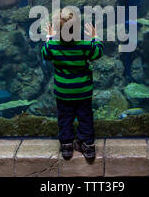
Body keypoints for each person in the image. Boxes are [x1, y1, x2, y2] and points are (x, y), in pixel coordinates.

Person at [41, 9, 103, 160]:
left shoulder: (53, 46)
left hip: (63, 92)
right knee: (85, 117)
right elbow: (98, 52)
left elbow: (45, 54)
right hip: (83, 91)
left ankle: (67, 146)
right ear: (78, 29)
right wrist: (95, 37)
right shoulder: (85, 45)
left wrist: (49, 37)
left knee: (64, 118)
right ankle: (88, 146)